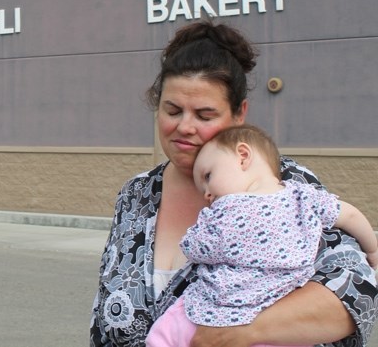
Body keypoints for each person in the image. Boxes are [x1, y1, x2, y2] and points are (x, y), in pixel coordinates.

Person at [89, 19, 378, 347]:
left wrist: (241, 333)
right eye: (173, 110)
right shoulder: (136, 194)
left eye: (204, 115)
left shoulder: (285, 186)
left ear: (239, 114)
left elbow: (356, 291)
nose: (185, 126)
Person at [145, 124, 378, 347]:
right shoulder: (304, 196)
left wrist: (193, 236)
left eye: (208, 176)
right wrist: (372, 249)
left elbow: (197, 248)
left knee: (165, 332)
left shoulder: (227, 209)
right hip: (280, 312)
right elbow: (350, 216)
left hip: (221, 310)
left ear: (243, 156)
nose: (206, 193)